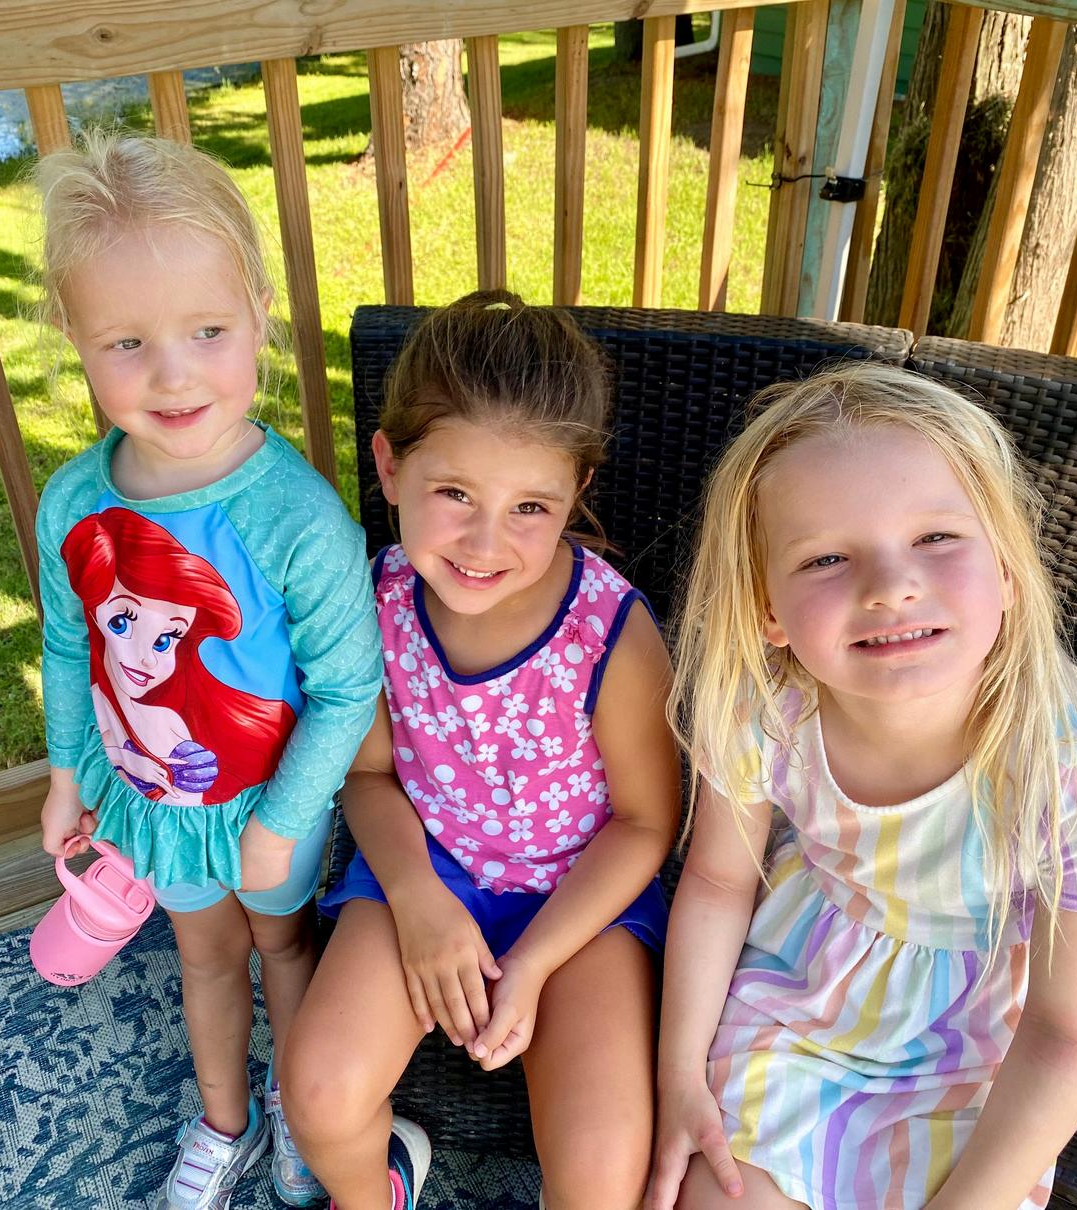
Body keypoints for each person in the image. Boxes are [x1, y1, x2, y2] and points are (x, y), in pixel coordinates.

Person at [646, 362, 1077, 1210]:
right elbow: (716, 880)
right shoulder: (763, 714)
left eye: (935, 538)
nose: (890, 586)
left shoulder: (1073, 781)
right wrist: (678, 1074)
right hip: (798, 1005)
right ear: (767, 609)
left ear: (1007, 568)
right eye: (825, 557)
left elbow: (1064, 1035)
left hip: (981, 1053)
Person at [33, 130, 380, 1210]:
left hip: (271, 805)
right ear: (76, 341)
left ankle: (296, 1114)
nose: (173, 374)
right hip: (153, 805)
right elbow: (68, 646)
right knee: (203, 957)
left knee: (285, 947)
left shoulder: (297, 518)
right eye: (126, 342)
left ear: (259, 316)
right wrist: (65, 776)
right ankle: (225, 1119)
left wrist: (284, 818)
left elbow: (346, 687)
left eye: (207, 331)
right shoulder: (73, 503)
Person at [280, 292, 680, 1210]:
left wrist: (533, 964)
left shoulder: (610, 633)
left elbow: (644, 823)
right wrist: (417, 900)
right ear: (390, 467)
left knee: (603, 1170)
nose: (483, 542)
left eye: (529, 506)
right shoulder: (372, 605)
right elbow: (367, 774)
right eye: (454, 493)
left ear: (575, 493)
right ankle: (375, 1189)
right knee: (319, 1095)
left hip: (582, 902)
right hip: (421, 868)